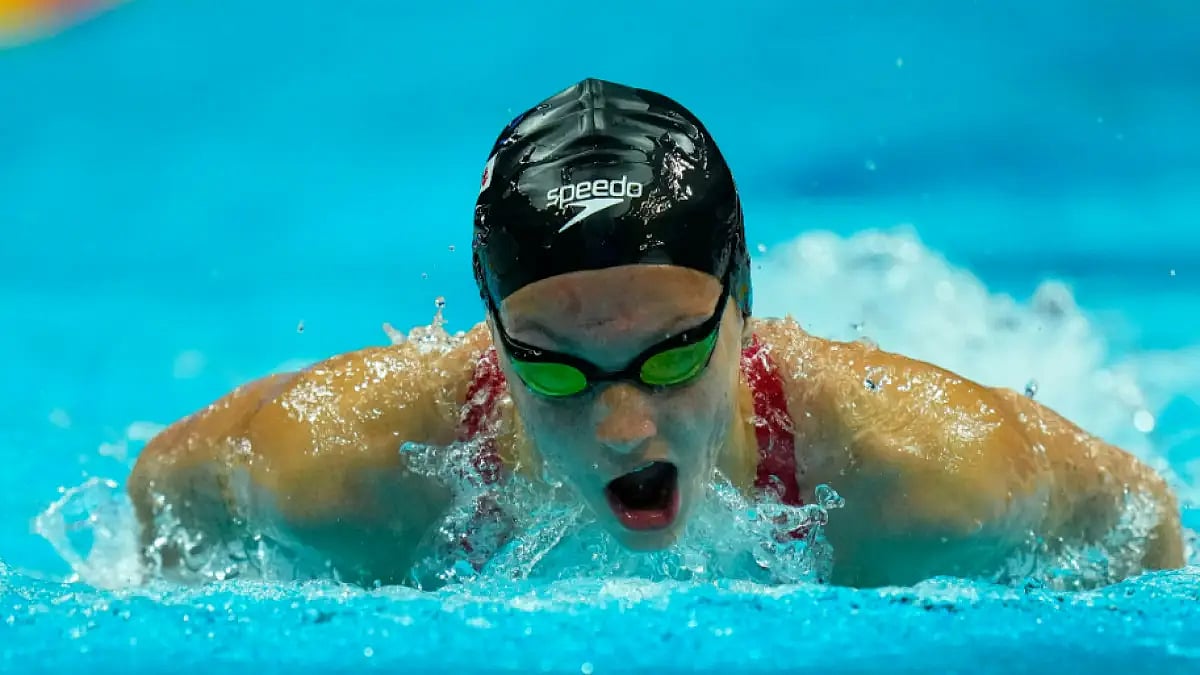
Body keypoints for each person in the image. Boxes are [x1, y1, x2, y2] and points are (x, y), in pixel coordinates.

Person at [128, 78, 1184, 589]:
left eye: (674, 354)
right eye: (552, 366)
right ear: (492, 338)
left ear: (744, 311)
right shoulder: (342, 463)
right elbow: (164, 488)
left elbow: (1142, 523)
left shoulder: (927, 470)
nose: (623, 425)